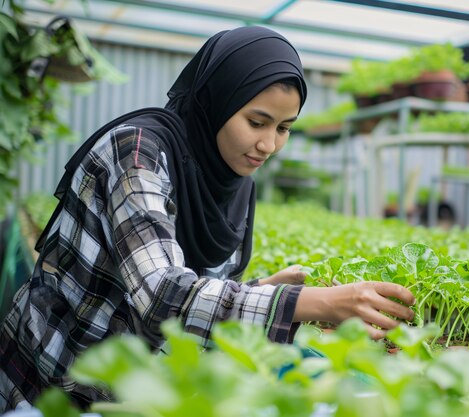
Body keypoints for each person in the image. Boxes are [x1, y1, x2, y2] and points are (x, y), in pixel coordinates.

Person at [0, 26, 415, 411]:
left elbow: (190, 295)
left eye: (285, 128)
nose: (268, 144)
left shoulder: (233, 176)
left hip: (136, 395)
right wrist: (314, 303)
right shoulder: (136, 152)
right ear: (214, 100)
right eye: (257, 122)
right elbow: (160, 293)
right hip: (47, 387)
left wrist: (260, 291)